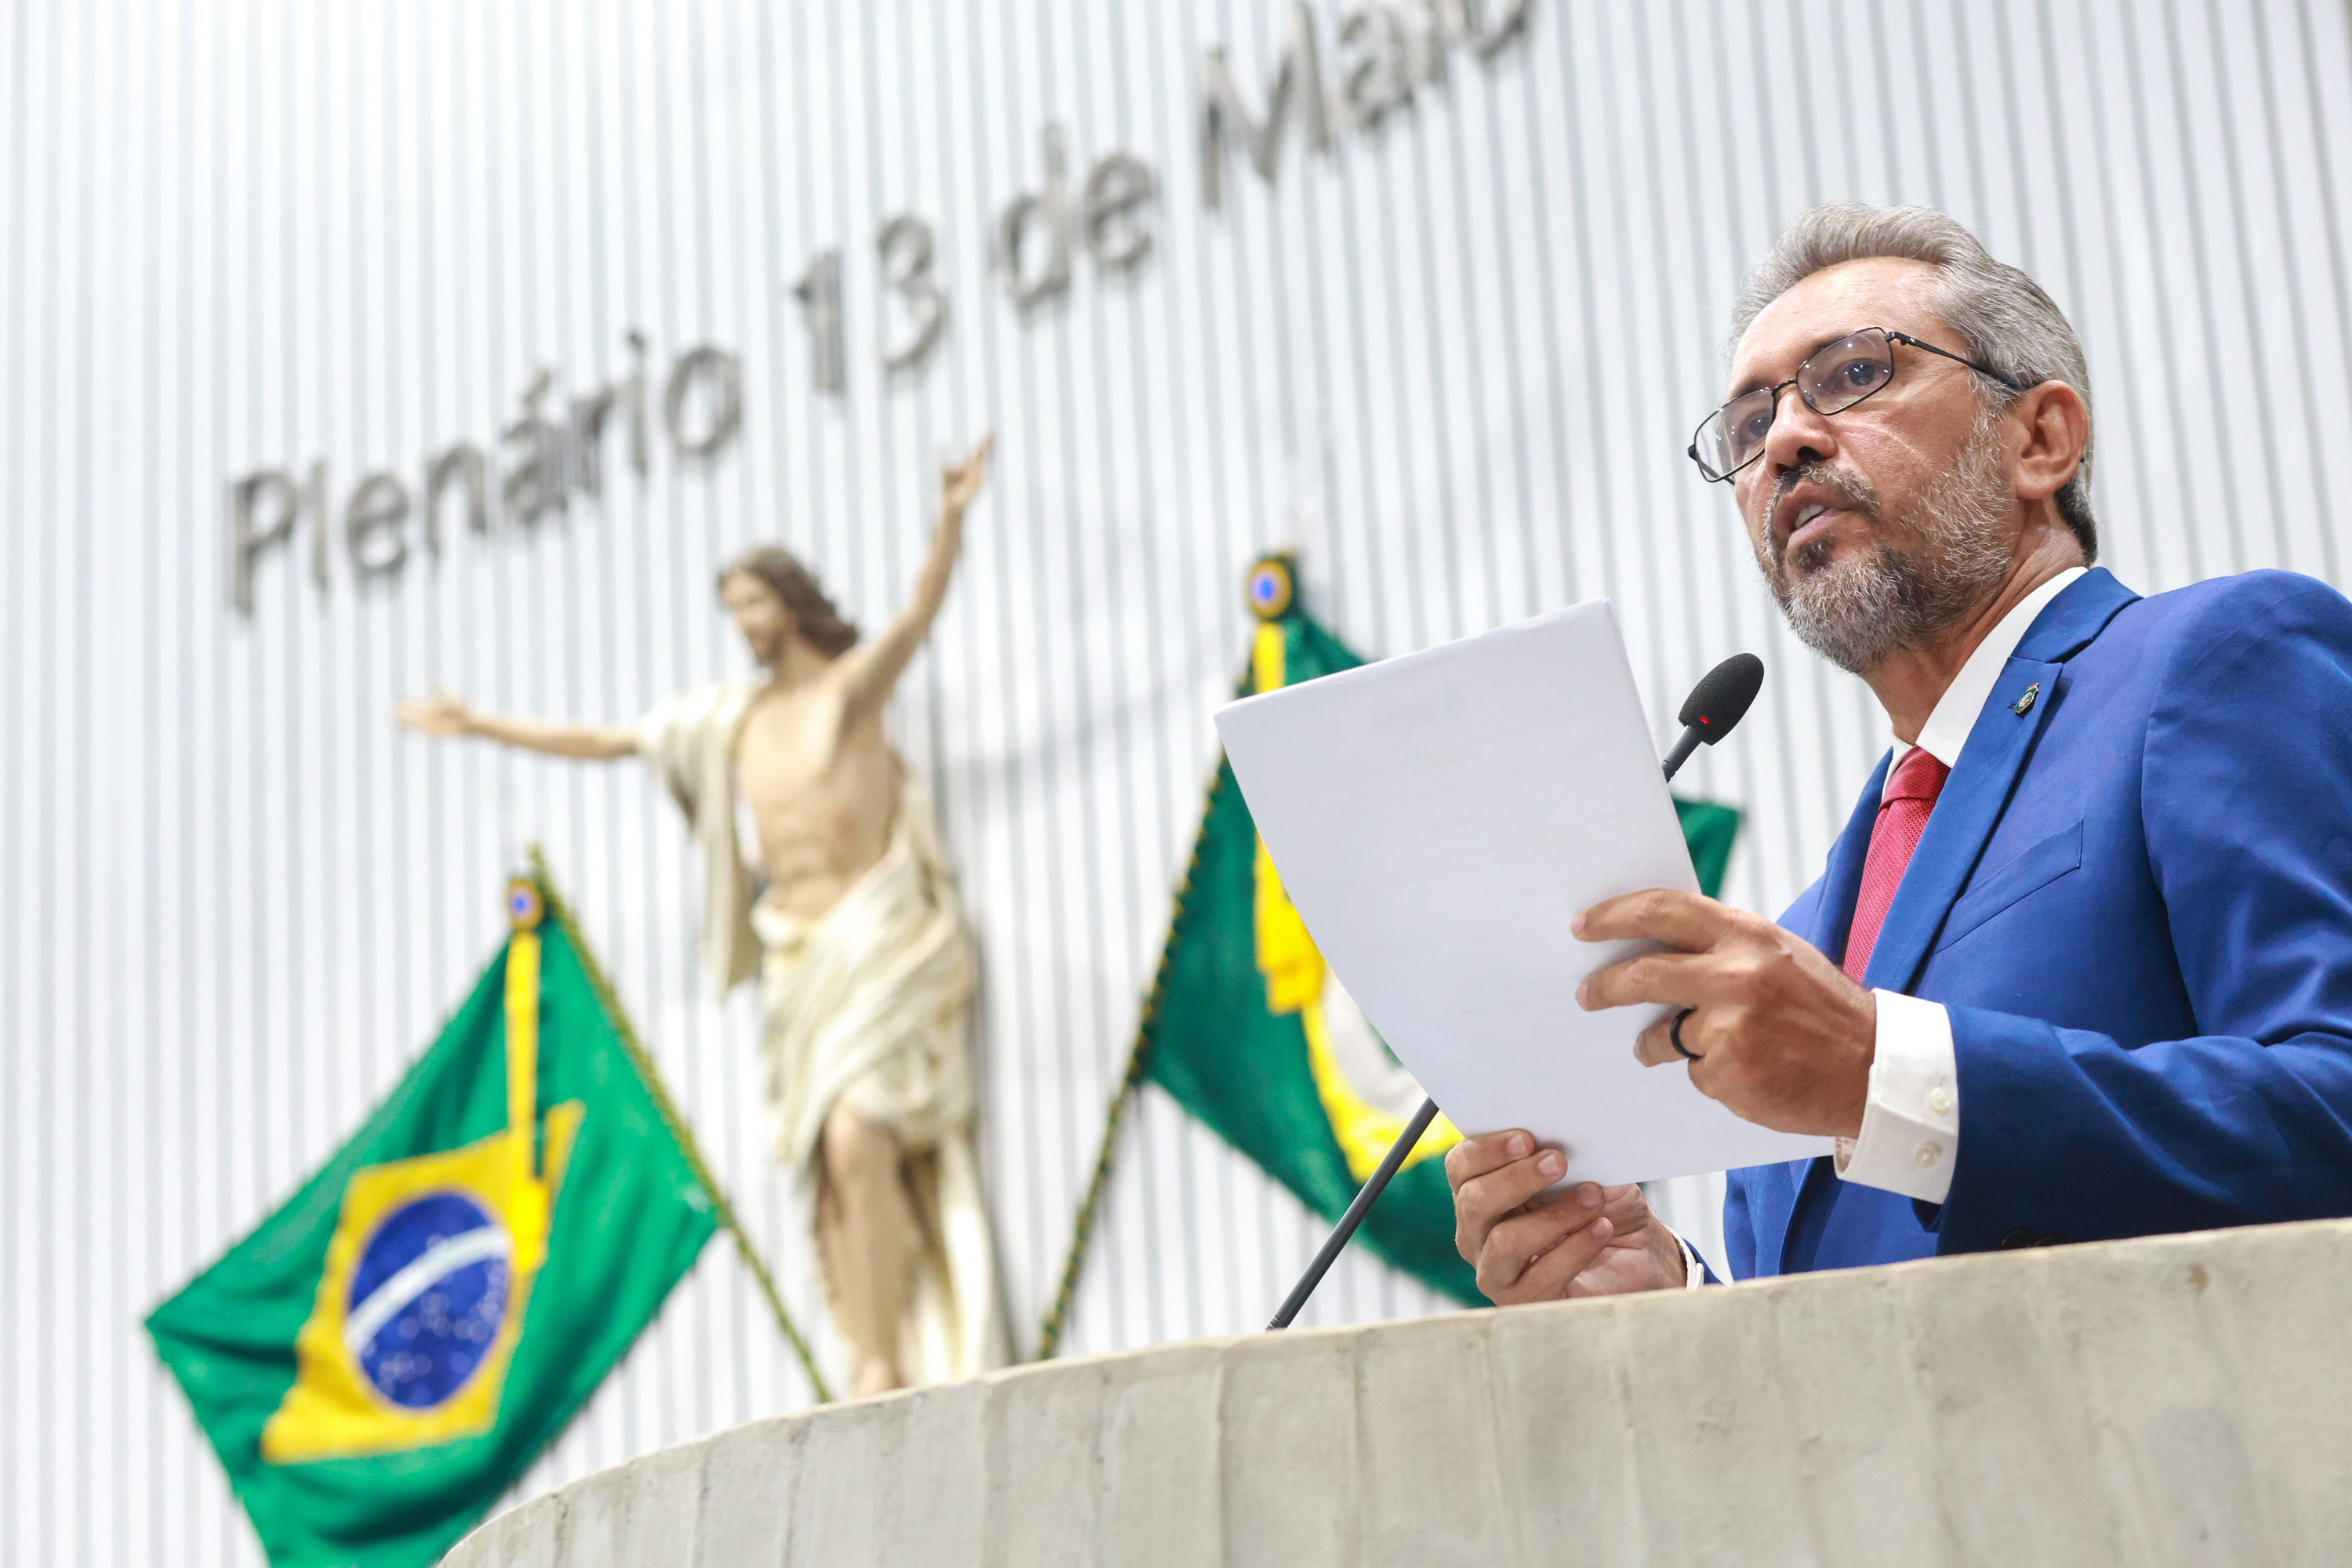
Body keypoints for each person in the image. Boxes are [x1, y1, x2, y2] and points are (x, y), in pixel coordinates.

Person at [1446, 204, 2352, 1301]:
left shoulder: (2215, 660)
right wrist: (1666, 1295)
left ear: (2040, 438)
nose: (1787, 440)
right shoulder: (1795, 947)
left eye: (1854, 373)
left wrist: (1886, 1071)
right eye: (1748, 426)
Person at [397, 434, 1001, 1396]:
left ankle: (889, 1354)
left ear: (791, 603)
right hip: (798, 960)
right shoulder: (728, 723)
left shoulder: (846, 695)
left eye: (754, 603)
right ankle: (870, 1353)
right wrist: (481, 723)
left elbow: (916, 613)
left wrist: (952, 519)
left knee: (859, 1135)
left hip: (875, 942)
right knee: (828, 1164)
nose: (744, 625)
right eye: (733, 610)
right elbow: (603, 740)